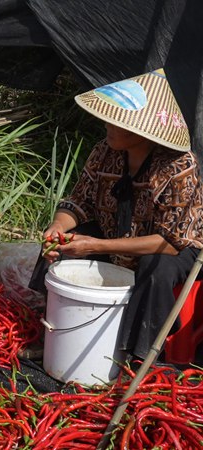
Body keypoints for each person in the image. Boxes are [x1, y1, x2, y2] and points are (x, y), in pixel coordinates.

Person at [29, 69, 203, 361]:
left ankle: (142, 357)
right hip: (115, 235)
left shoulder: (177, 167)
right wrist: (57, 226)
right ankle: (55, 331)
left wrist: (95, 245)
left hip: (175, 251)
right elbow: (79, 201)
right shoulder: (104, 152)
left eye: (117, 121)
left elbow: (170, 242)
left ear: (142, 131)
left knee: (156, 266)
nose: (107, 125)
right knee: (64, 244)